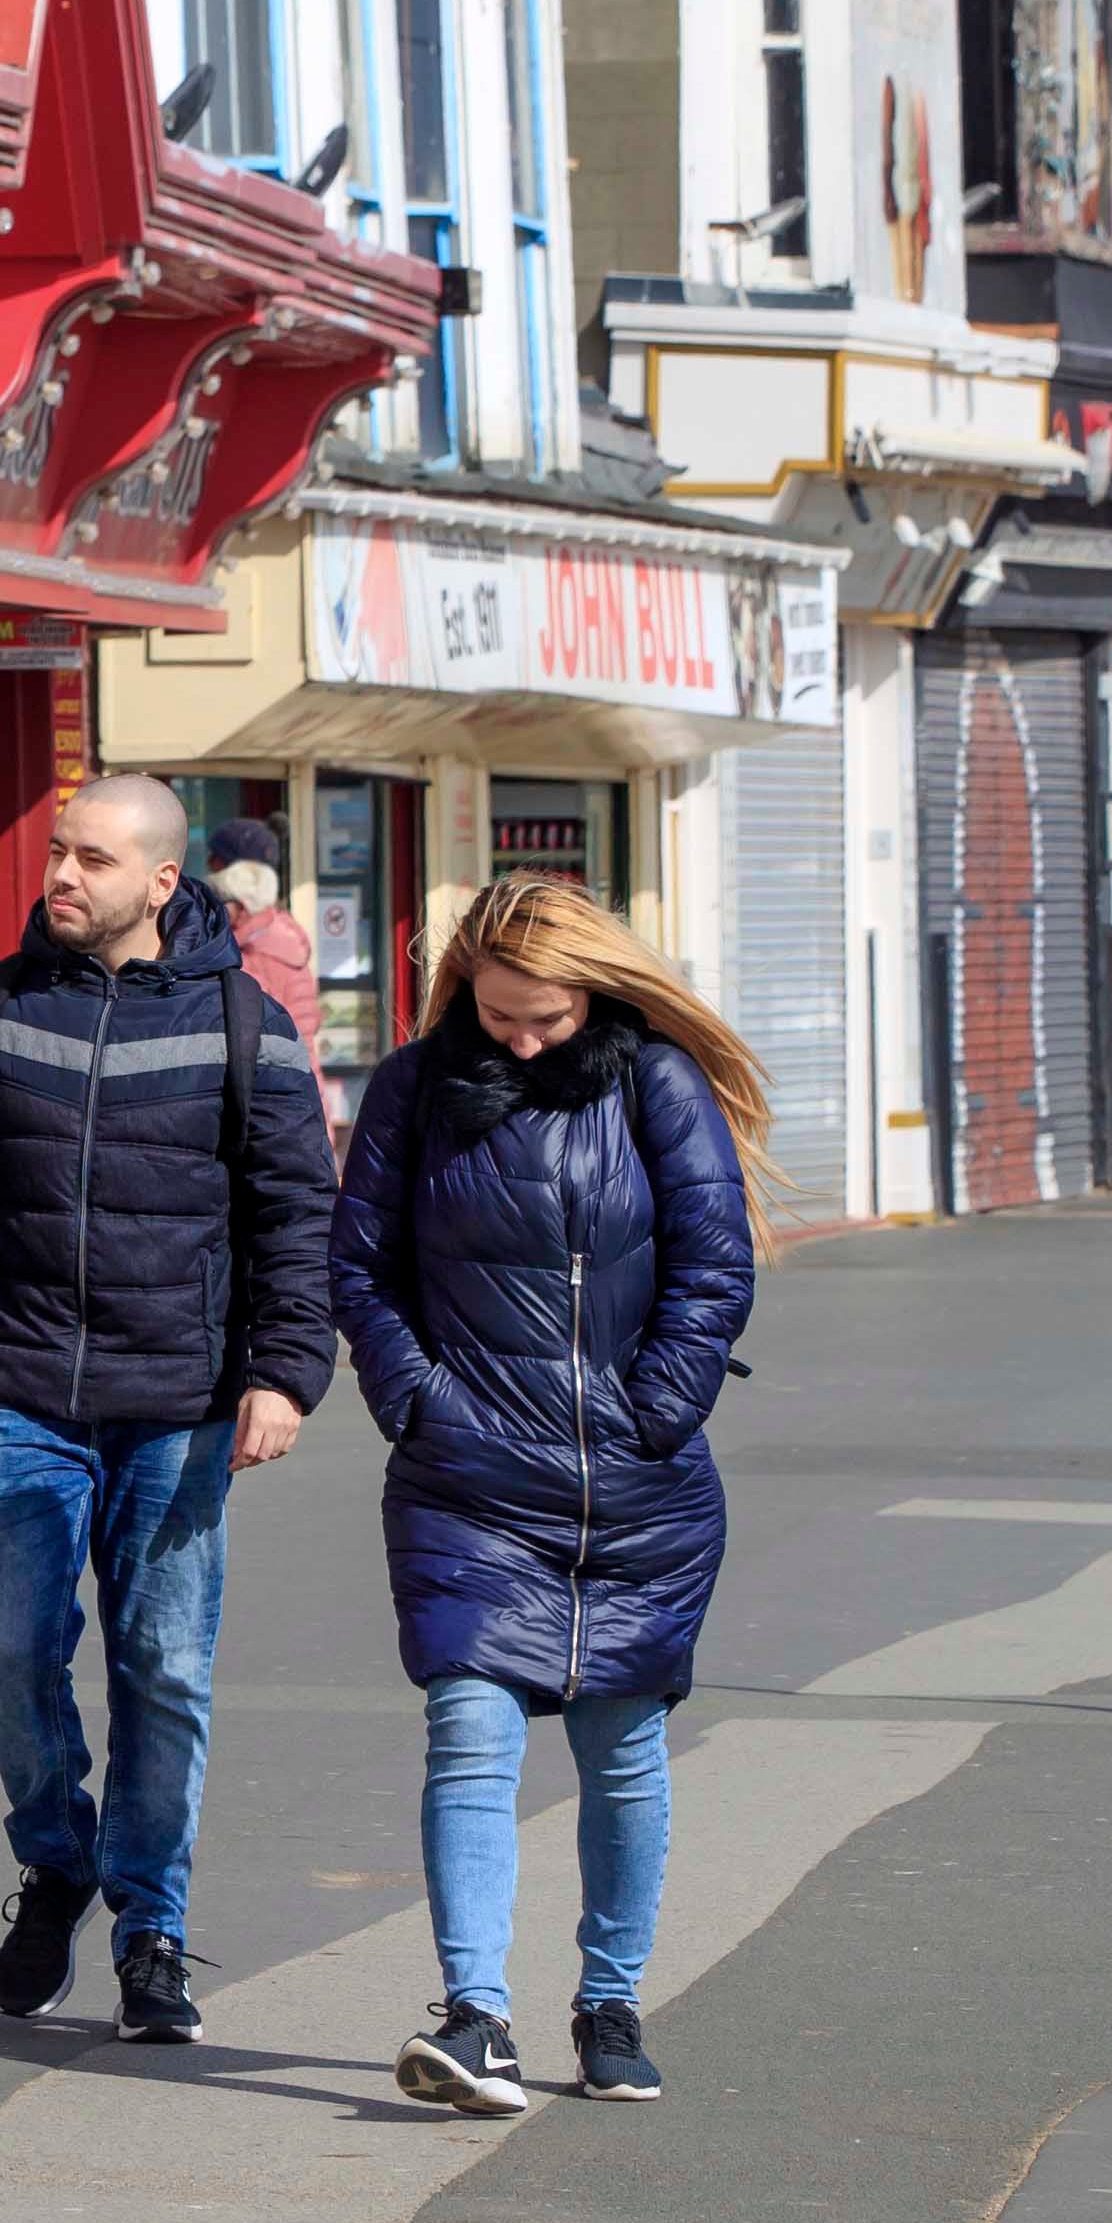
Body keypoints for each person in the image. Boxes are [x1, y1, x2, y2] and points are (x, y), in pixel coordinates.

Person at [0, 774, 339, 2043]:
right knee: (6, 1645)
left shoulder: (246, 1022)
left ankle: (150, 1927)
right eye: (56, 850)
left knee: (163, 1672)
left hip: (179, 1405)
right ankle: (57, 1854)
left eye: (92, 858)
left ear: (160, 882)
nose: (62, 874)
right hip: (24, 1396)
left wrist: (285, 1370)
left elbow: (296, 1217)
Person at [331, 877, 764, 2115]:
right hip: (465, 1473)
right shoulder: (415, 1089)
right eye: (497, 1015)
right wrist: (417, 1397)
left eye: (545, 1020)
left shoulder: (656, 1083)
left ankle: (609, 2002)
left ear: (594, 993)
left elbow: (713, 1260)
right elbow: (355, 1264)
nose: (517, 1038)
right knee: (468, 1728)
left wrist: (660, 1405)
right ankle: (475, 2015)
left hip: (636, 1480)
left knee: (621, 1748)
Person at [217, 858, 337, 1133]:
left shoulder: (253, 954)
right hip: (302, 1081)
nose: (220, 907)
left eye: (225, 900)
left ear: (242, 907)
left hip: (274, 1088)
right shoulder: (283, 938)